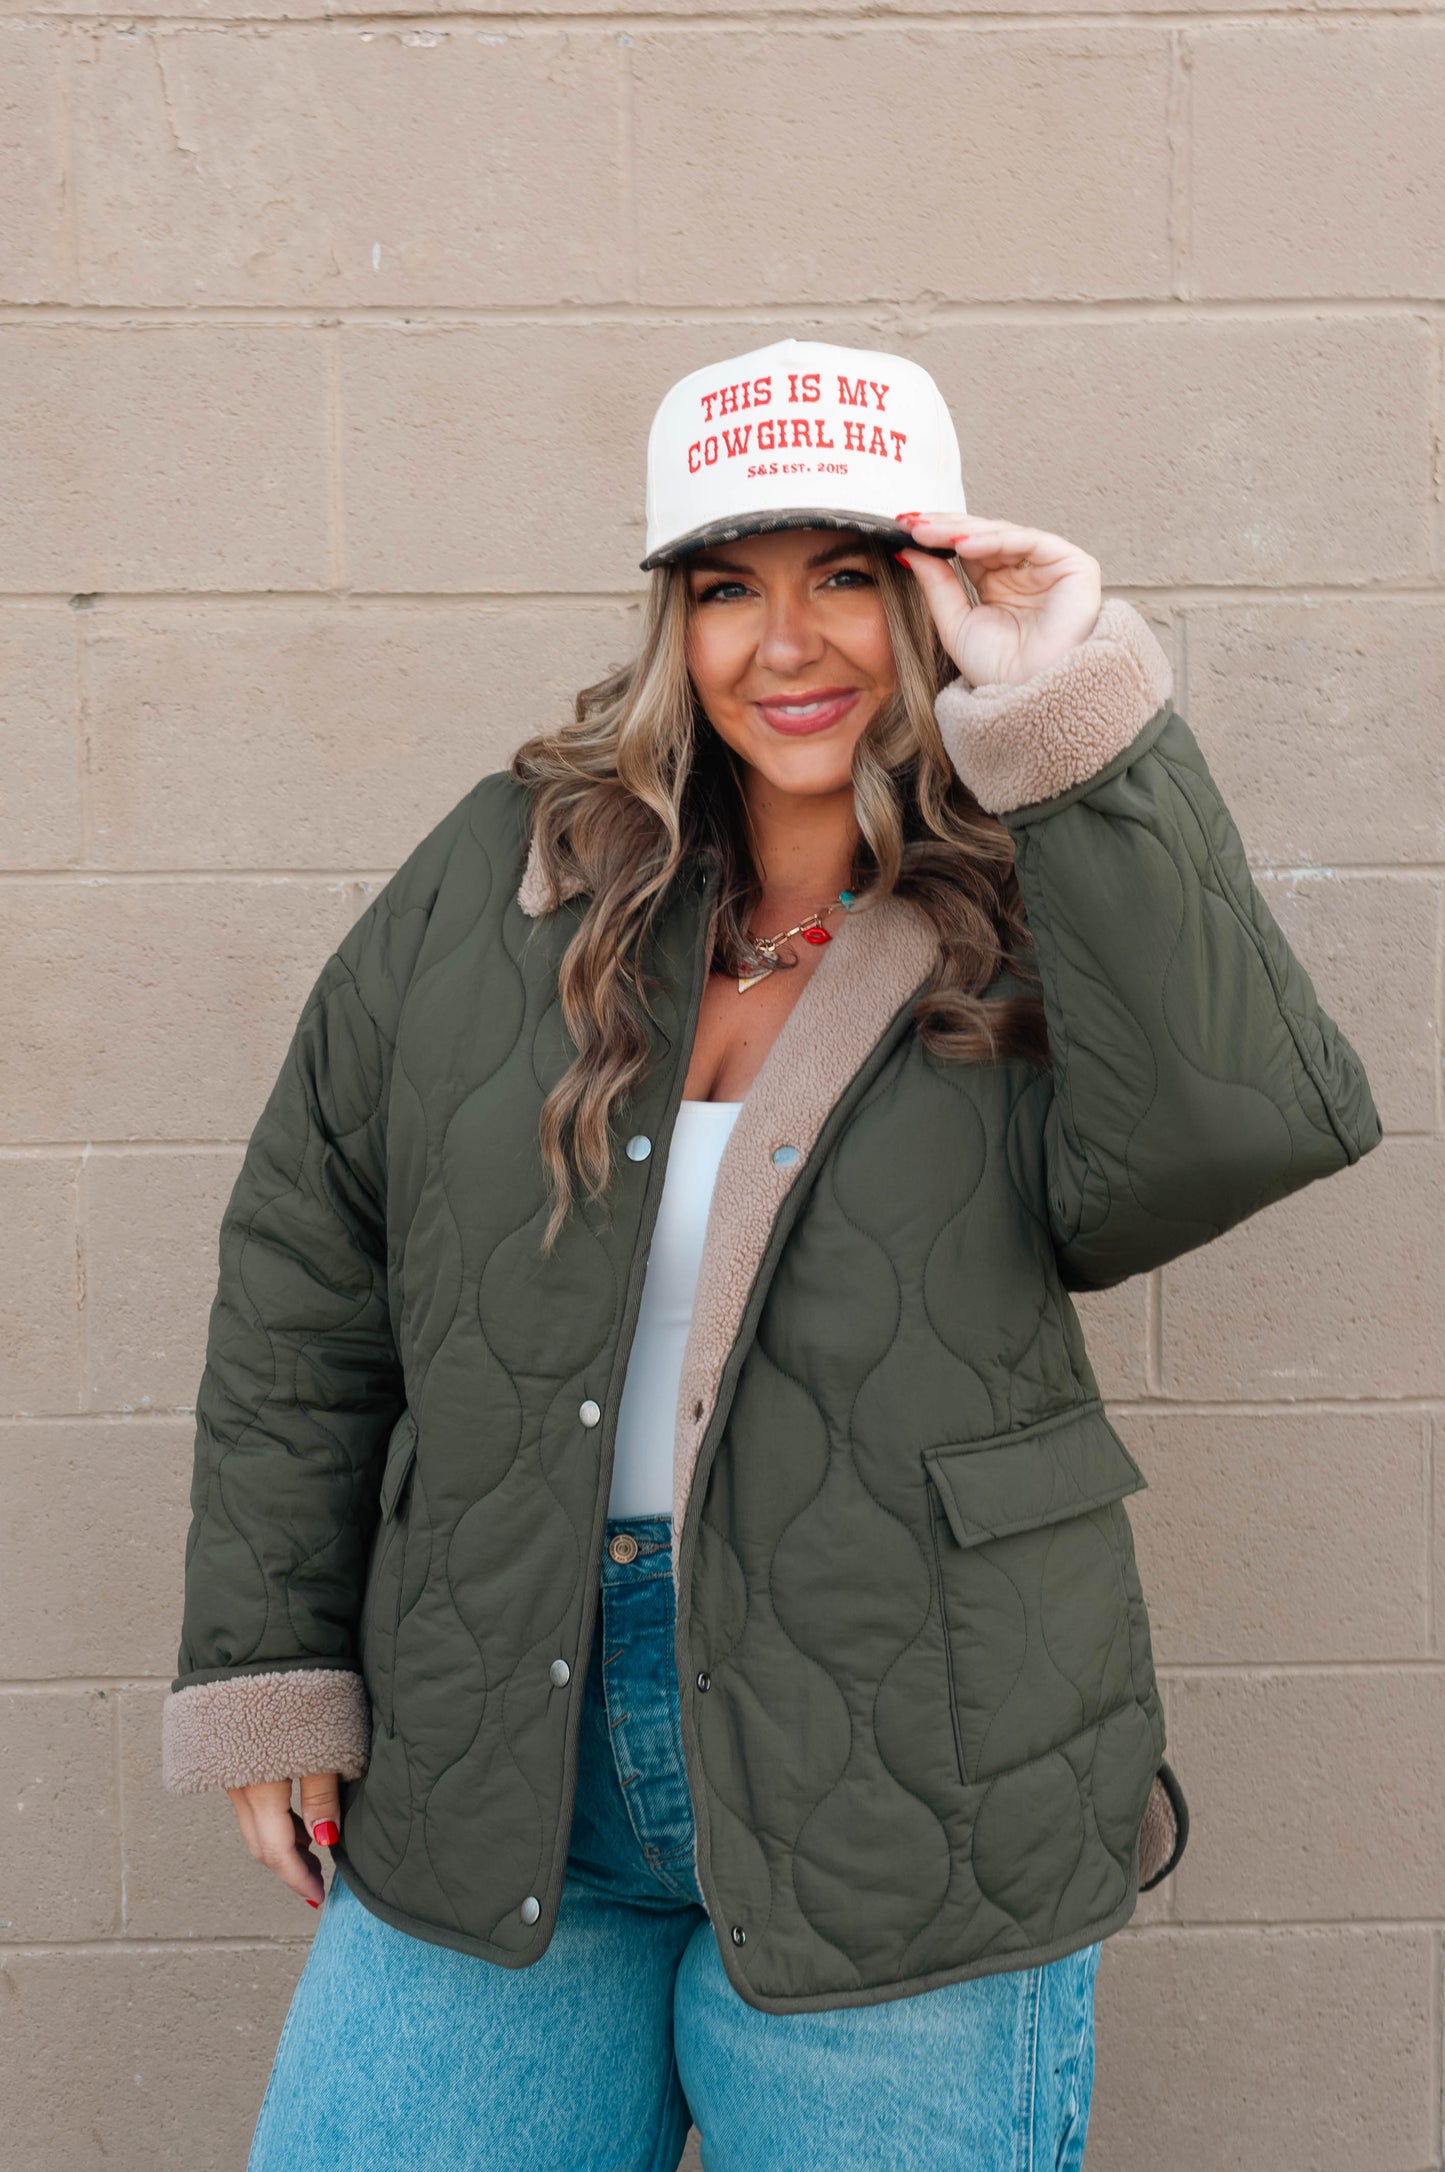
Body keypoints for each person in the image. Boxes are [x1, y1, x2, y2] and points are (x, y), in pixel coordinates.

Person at [162, 338, 1381, 2171]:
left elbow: (1225, 1135)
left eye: (846, 581)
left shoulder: (1035, 888)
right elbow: (305, 1275)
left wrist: (1068, 715)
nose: (786, 644)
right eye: (728, 587)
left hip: (913, 1767)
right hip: (507, 1742)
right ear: (673, 617)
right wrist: (270, 1663)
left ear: (924, 596)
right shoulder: (510, 875)